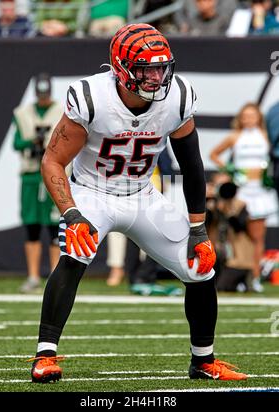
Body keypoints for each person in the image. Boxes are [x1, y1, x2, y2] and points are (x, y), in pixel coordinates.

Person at [28, 23, 247, 383]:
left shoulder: (176, 97)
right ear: (121, 67)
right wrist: (72, 212)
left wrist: (198, 228)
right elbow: (52, 161)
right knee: (74, 254)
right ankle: (44, 355)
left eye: (161, 67)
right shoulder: (91, 96)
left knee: (200, 267)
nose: (156, 77)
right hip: (92, 191)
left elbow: (191, 165)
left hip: (142, 194)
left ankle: (203, 361)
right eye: (146, 69)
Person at [210, 103, 276, 293]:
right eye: (245, 116)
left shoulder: (265, 136)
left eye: (252, 115)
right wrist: (229, 169)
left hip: (260, 190)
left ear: (258, 117)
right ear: (240, 118)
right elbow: (214, 154)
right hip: (241, 192)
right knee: (237, 236)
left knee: (257, 237)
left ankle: (254, 277)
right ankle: (237, 275)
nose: (249, 119)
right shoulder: (235, 137)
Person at [13, 73, 62, 293]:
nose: (43, 99)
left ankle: (54, 274)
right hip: (31, 173)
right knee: (32, 226)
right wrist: (32, 141)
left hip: (53, 174)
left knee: (54, 227)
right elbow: (17, 142)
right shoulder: (23, 113)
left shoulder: (62, 110)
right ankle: (33, 275)